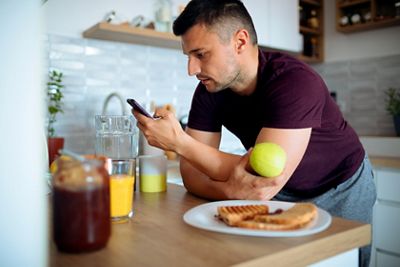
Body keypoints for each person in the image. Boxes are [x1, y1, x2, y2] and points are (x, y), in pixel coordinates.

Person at [132, 1, 376, 266]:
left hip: (340, 188)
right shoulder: (209, 90)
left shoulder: (295, 81)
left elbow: (262, 176)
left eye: (200, 54)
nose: (191, 69)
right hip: (277, 195)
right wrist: (232, 191)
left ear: (239, 41)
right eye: (188, 56)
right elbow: (192, 175)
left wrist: (179, 142)